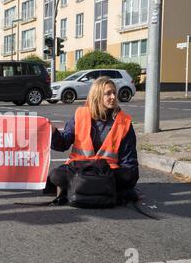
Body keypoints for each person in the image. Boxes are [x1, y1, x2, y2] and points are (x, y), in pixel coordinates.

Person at [45, 76, 139, 204]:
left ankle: (78, 189)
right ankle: (102, 190)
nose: (113, 97)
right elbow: (63, 144)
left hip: (107, 171)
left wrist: (130, 177)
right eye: (108, 93)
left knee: (128, 175)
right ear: (97, 96)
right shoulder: (80, 114)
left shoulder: (124, 121)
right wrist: (54, 133)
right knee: (56, 175)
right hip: (80, 168)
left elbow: (129, 159)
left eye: (114, 93)